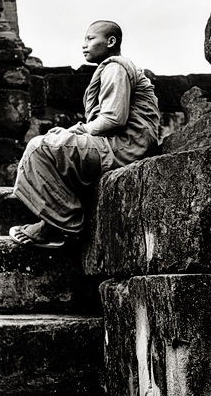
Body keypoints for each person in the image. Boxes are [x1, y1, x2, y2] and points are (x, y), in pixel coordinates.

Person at [9, 21, 161, 249]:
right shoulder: (112, 68)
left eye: (90, 39)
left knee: (40, 148)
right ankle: (56, 219)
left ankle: (60, 224)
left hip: (125, 146)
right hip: (120, 144)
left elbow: (113, 119)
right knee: (51, 144)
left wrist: (75, 130)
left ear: (110, 42)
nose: (84, 45)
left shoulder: (115, 67)